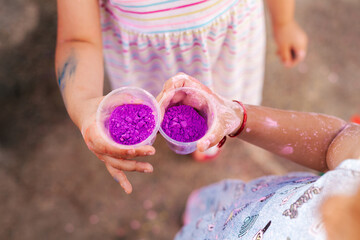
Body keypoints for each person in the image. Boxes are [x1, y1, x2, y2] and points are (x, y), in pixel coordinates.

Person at [55, 0, 307, 193]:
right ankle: (179, 137)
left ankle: (205, 144)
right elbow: (77, 38)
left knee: (219, 111)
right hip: (148, 62)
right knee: (154, 110)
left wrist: (283, 22)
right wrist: (84, 104)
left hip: (225, 46)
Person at [156, 74, 360, 240]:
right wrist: (236, 116)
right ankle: (199, 216)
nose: (329, 205)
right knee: (213, 212)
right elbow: (333, 140)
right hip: (249, 205)